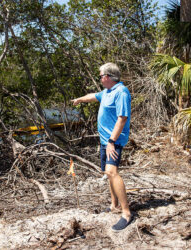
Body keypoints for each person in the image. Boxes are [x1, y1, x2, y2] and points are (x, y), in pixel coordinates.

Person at [72, 62, 132, 232]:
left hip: (114, 140)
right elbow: (93, 96)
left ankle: (126, 213)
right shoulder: (107, 92)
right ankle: (114, 206)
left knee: (112, 172)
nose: (99, 79)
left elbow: (122, 118)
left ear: (107, 77)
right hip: (106, 141)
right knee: (107, 172)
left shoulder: (121, 92)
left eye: (100, 76)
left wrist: (112, 141)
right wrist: (79, 100)